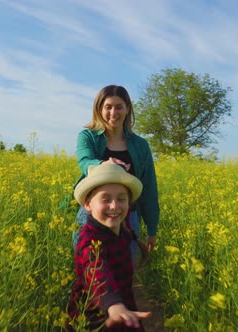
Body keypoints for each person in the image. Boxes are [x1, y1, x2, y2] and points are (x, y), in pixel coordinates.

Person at [74, 85, 160, 258]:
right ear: (99, 109)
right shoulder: (88, 136)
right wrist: (103, 165)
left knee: (125, 269)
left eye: (119, 107)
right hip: (93, 212)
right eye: (108, 107)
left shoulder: (141, 145)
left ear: (127, 109)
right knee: (90, 266)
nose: (114, 112)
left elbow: (149, 188)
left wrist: (152, 229)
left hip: (128, 213)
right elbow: (85, 161)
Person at [67, 162, 151, 331]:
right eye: (105, 199)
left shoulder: (122, 229)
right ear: (88, 205)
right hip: (93, 316)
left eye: (121, 199)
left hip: (123, 306)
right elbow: (96, 269)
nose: (114, 206)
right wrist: (113, 304)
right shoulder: (88, 239)